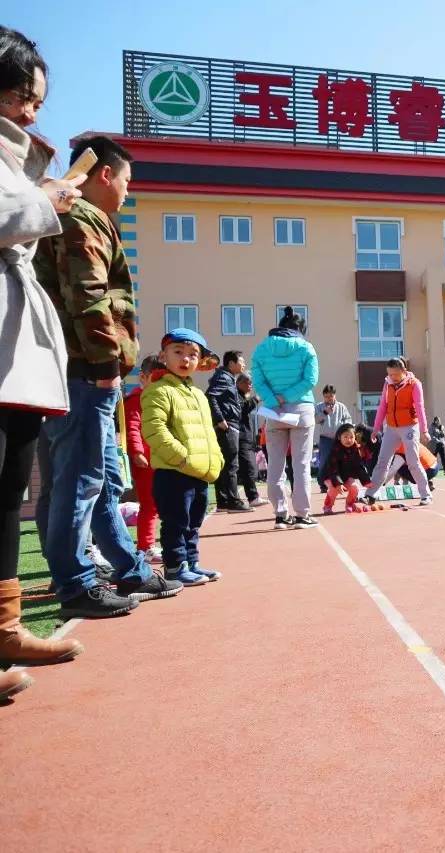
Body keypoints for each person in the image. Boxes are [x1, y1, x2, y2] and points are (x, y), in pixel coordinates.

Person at [33, 134, 183, 618]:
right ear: (104, 174)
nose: (126, 191)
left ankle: (127, 566)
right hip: (83, 368)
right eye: (125, 181)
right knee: (78, 479)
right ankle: (76, 583)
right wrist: (103, 364)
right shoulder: (82, 219)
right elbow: (90, 296)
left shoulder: (72, 214)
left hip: (67, 367)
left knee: (90, 477)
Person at [0, 27, 87, 697]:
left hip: (20, 344)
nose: (31, 112)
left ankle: (5, 632)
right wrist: (50, 197)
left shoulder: (20, 154)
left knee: (10, 490)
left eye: (36, 101)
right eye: (20, 96)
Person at [142, 329, 224, 585]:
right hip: (174, 471)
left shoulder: (198, 394)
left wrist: (217, 459)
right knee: (176, 522)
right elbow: (154, 429)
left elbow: (208, 433)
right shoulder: (159, 390)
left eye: (192, 355)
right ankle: (176, 567)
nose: (185, 359)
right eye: (178, 352)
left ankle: (192, 563)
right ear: (164, 356)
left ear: (200, 362)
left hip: (199, 472)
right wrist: (180, 458)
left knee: (193, 522)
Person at [252, 305, 319, 529]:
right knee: (301, 465)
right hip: (301, 410)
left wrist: (273, 399)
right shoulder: (306, 347)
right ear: (300, 329)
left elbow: (258, 382)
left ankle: (280, 515)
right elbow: (310, 380)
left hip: (273, 412)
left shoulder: (261, 349)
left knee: (275, 466)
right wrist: (288, 396)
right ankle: (302, 515)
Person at [368, 358, 432, 506]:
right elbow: (382, 407)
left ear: (404, 371)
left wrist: (424, 430)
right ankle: (371, 494)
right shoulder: (387, 384)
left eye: (395, 374)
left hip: (409, 427)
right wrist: (376, 428)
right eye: (389, 374)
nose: (392, 377)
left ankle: (425, 494)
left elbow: (420, 407)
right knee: (382, 460)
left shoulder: (415, 384)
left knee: (412, 462)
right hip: (391, 428)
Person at [123, 355, 162, 562]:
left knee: (161, 503)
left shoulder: (159, 400)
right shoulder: (136, 400)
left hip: (161, 459)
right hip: (145, 461)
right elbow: (132, 426)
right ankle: (146, 546)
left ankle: (155, 544)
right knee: (149, 503)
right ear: (143, 378)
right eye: (154, 380)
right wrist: (137, 451)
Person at [206, 350, 250, 512]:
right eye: (241, 361)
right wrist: (219, 419)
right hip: (228, 425)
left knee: (225, 464)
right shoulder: (224, 377)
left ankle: (223, 500)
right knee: (231, 463)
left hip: (230, 424)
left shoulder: (227, 377)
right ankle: (233, 500)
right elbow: (211, 396)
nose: (244, 364)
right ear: (231, 363)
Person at [319, 424, 371, 513]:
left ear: (355, 437)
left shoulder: (356, 450)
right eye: (345, 437)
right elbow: (333, 469)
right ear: (339, 437)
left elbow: (359, 467)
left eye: (351, 437)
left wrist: (366, 481)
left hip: (346, 476)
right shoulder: (335, 450)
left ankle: (350, 504)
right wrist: (338, 483)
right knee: (334, 488)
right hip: (330, 475)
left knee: (355, 487)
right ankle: (327, 506)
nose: (349, 440)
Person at [235, 373, 266, 506]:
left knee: (250, 468)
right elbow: (242, 409)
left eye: (251, 383)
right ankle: (252, 497)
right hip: (241, 437)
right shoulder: (236, 396)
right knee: (248, 468)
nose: (250, 385)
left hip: (249, 438)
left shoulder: (245, 397)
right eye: (248, 382)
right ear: (239, 383)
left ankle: (251, 496)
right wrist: (256, 399)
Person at [314, 384, 352, 480]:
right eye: (326, 397)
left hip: (340, 439)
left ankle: (340, 481)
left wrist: (344, 428)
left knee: (341, 460)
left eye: (331, 396)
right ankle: (322, 483)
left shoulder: (341, 407)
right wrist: (324, 412)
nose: (329, 398)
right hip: (325, 439)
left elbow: (348, 419)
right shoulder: (319, 407)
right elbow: (315, 420)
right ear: (323, 396)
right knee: (324, 461)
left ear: (335, 395)